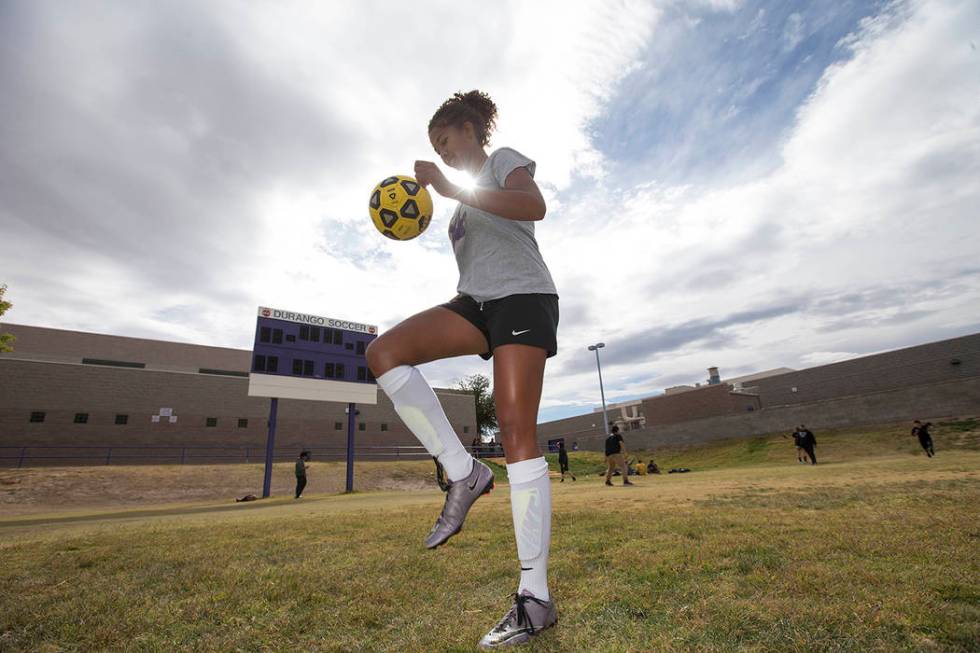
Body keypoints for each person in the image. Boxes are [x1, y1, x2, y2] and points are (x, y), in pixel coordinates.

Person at [366, 90, 559, 649]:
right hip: (475, 303)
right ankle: (464, 472)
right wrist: (447, 201)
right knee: (384, 353)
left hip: (523, 298)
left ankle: (535, 599)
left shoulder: (502, 164)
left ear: (471, 131)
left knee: (518, 432)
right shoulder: (454, 210)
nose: (441, 153)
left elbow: (533, 207)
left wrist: (455, 188)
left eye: (445, 141)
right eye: (434, 148)